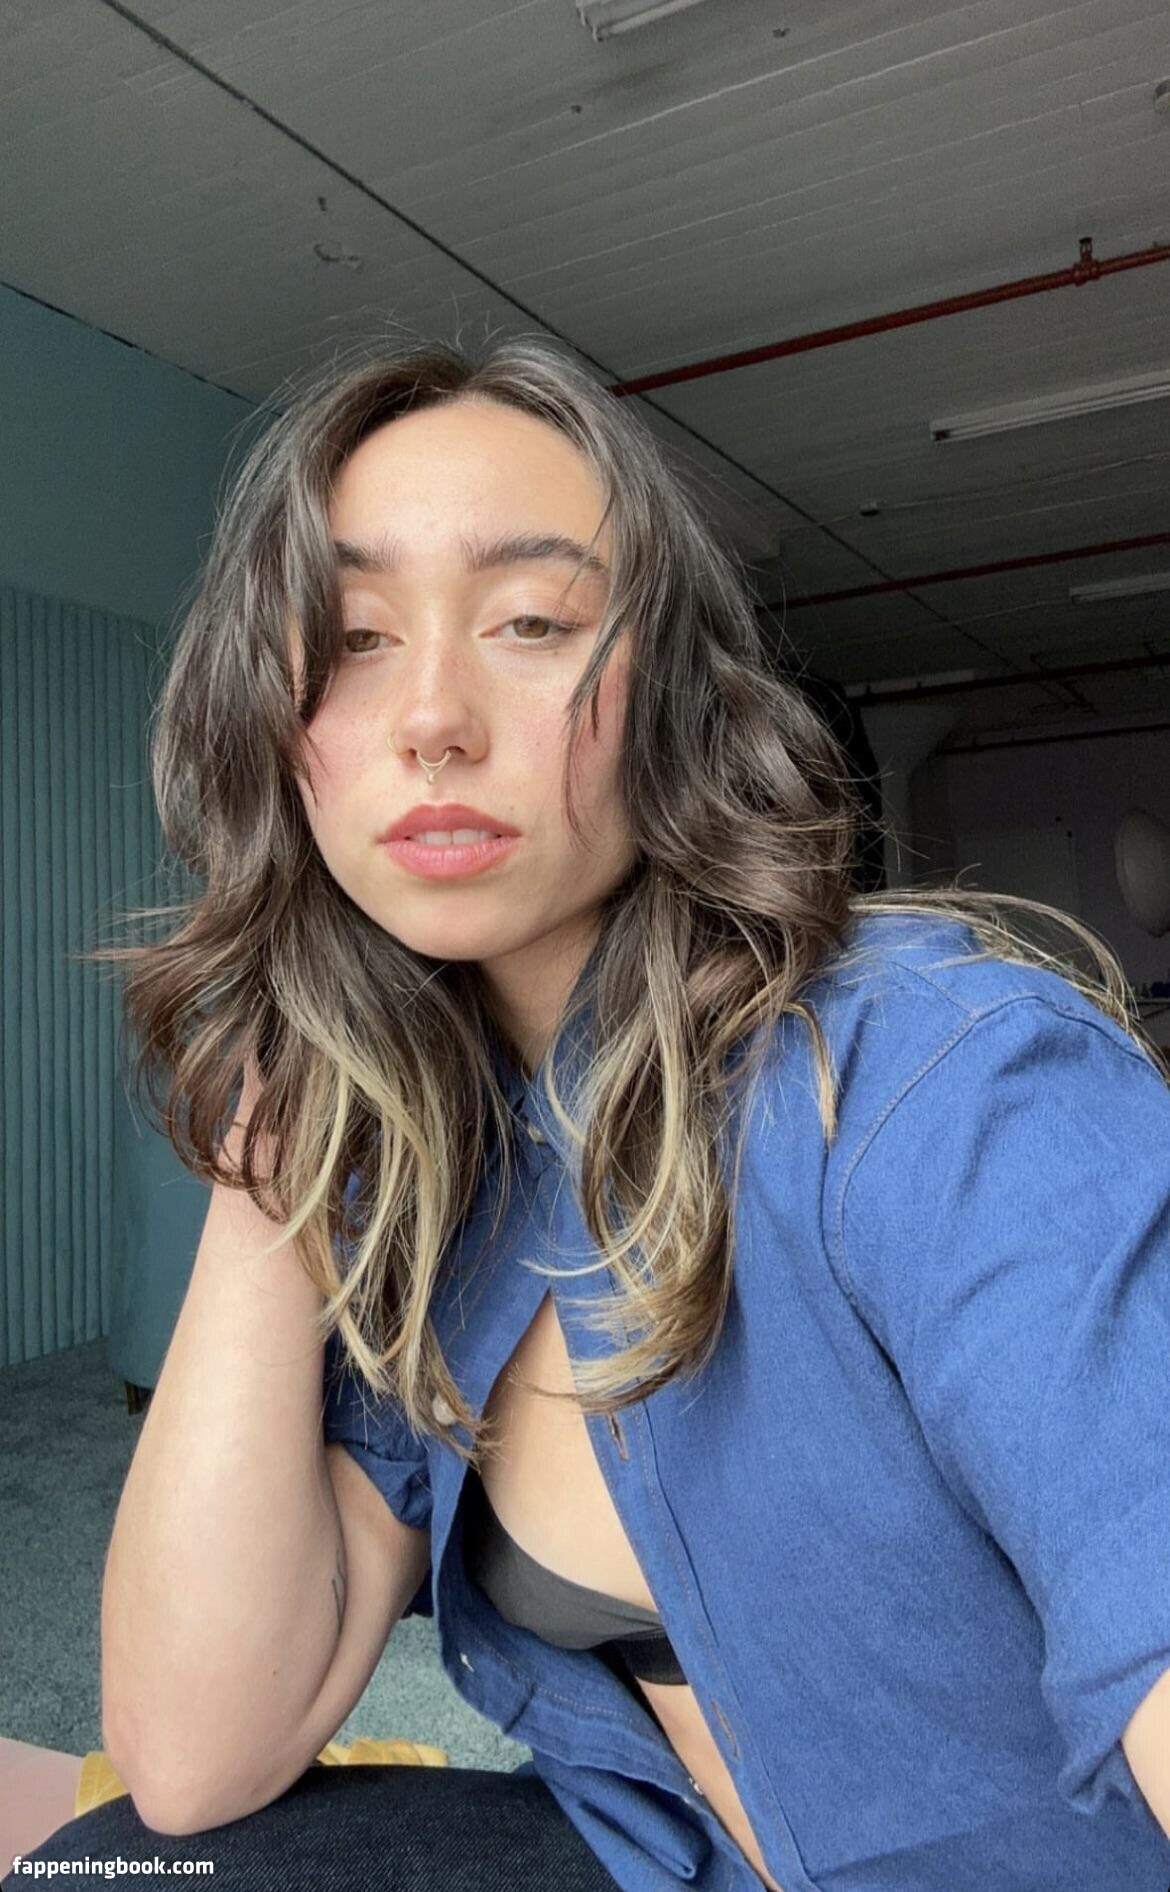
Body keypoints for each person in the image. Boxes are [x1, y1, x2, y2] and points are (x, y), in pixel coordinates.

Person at [15, 333, 1170, 1892]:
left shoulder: (942, 1076)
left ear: (671, 699)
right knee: (100, 1871)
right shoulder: (444, 1158)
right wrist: (265, 1170)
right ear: (279, 738)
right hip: (663, 1854)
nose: (432, 716)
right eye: (352, 638)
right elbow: (197, 1753)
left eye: (532, 621)